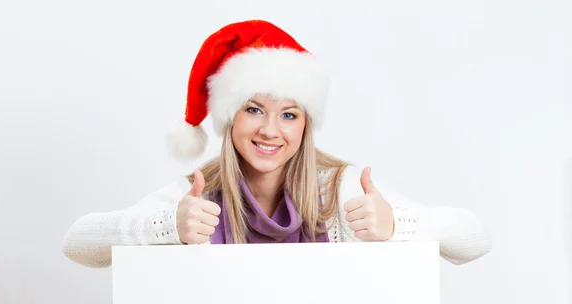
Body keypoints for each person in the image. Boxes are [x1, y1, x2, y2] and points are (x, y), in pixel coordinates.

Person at [62, 19, 491, 268]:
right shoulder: (196, 197)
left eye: (289, 114)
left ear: (306, 125)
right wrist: (166, 227)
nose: (270, 130)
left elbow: (475, 240)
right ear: (230, 118)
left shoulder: (338, 191)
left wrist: (397, 224)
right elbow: (77, 243)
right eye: (253, 109)